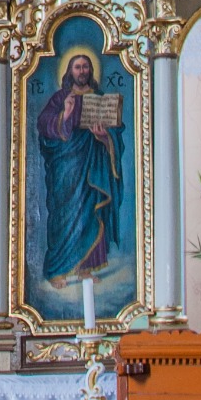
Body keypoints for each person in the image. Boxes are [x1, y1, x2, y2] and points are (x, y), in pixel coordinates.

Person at [37, 52, 123, 284]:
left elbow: (115, 134)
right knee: (64, 215)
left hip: (92, 167)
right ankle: (58, 270)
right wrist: (65, 113)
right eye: (78, 67)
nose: (82, 71)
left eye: (85, 67)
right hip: (66, 168)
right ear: (70, 71)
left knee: (90, 213)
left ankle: (86, 268)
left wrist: (104, 136)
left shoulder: (99, 98)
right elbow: (44, 126)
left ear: (90, 71)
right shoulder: (60, 98)